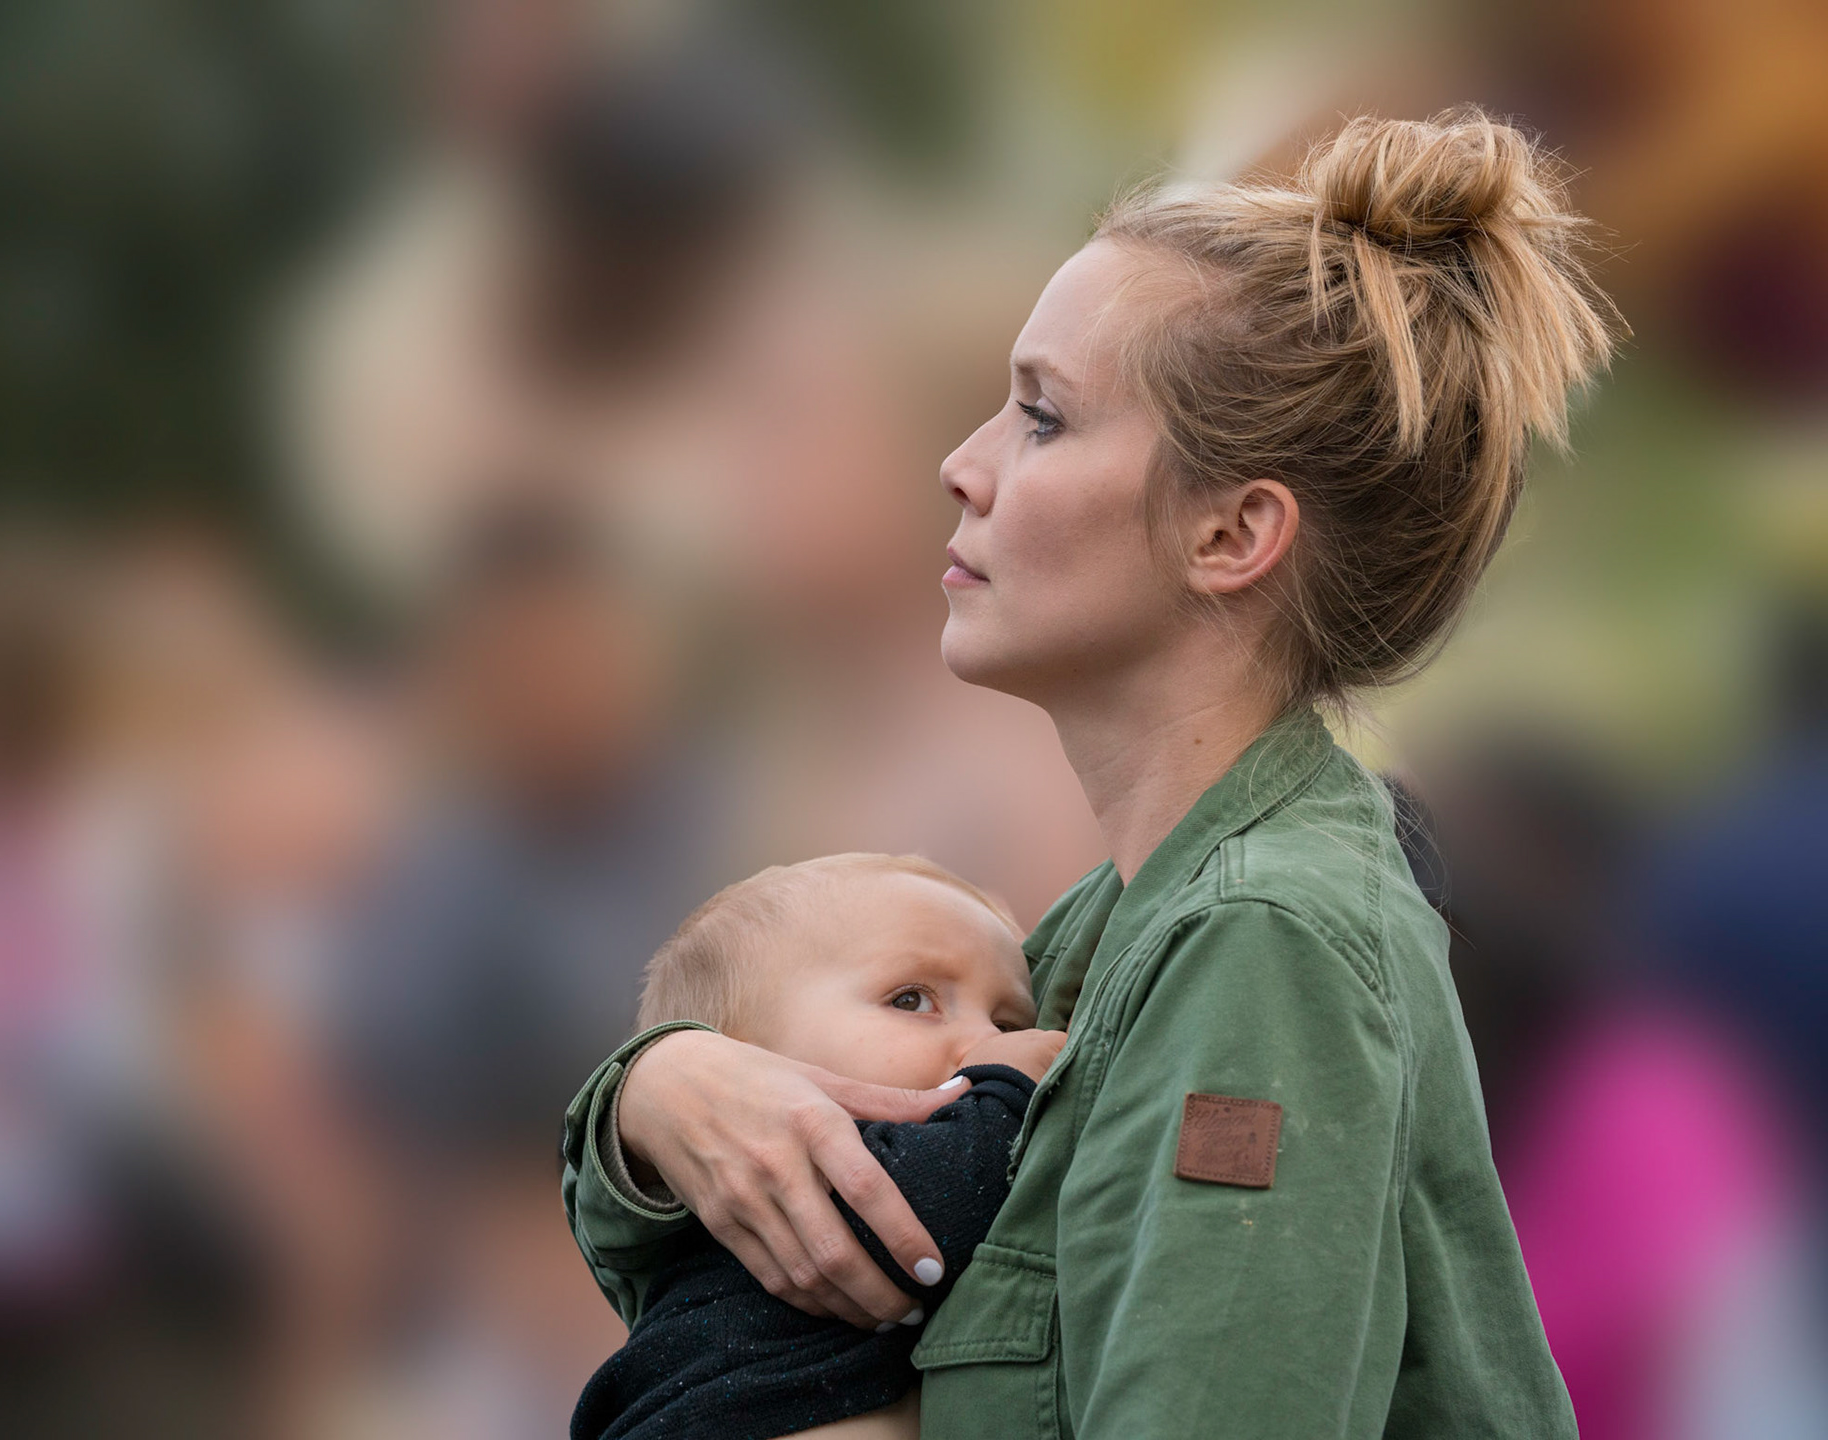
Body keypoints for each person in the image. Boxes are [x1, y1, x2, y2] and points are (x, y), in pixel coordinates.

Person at [563, 109, 1620, 1438]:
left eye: (1043, 419)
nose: (962, 467)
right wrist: (658, 1100)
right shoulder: (1109, 928)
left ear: (1232, 533)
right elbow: (776, 1306)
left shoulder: (1264, 944)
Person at [571, 853, 1065, 1440]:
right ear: (744, 1072)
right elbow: (947, 1195)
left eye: (1009, 1027)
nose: (984, 1041)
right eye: (911, 999)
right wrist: (1013, 1089)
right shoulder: (800, 1175)